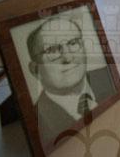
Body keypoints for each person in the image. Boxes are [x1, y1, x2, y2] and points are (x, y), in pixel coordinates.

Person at [27, 16, 115, 146]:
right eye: (52, 50)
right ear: (35, 70)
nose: (68, 57)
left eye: (73, 43)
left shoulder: (111, 76)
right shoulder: (37, 123)